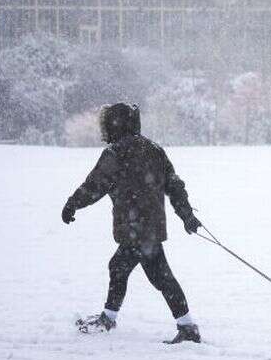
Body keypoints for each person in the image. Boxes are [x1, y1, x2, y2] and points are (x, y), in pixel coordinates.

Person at [62, 103, 203, 344]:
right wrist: (186, 215)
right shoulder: (154, 150)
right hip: (149, 227)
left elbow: (95, 185)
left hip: (134, 228)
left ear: (116, 124)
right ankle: (110, 317)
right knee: (122, 267)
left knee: (156, 276)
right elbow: (175, 186)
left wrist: (72, 204)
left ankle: (187, 328)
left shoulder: (116, 153)